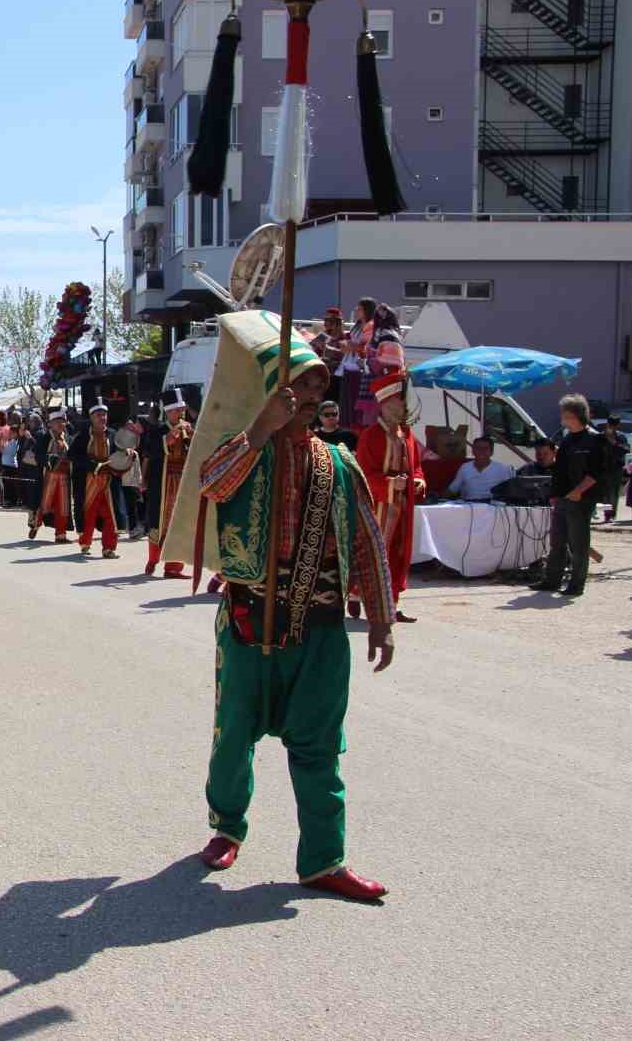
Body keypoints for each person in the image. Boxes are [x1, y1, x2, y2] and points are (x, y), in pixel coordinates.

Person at [193, 325, 396, 901]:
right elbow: (211, 485)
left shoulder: (339, 462)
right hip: (250, 623)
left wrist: (379, 616)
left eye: (315, 391)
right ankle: (226, 828)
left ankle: (323, 860)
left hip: (321, 630)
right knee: (234, 738)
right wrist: (260, 429)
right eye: (297, 390)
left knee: (320, 747)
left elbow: (365, 542)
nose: (308, 400)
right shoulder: (243, 449)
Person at [352, 373, 425, 623]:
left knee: (398, 554)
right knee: (374, 553)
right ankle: (362, 597)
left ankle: (392, 604)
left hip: (402, 506)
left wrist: (418, 480)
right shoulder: (370, 436)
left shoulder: (408, 435)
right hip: (378, 506)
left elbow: (416, 466)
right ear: (384, 405)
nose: (404, 408)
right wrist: (392, 483)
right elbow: (363, 474)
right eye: (399, 403)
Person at [531, 395, 608, 599]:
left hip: (582, 499)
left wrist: (579, 491)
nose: (563, 418)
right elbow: (560, 471)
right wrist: (555, 494)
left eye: (566, 415)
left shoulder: (594, 439)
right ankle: (551, 580)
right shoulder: (566, 440)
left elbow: (597, 472)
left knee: (578, 544)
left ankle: (576, 584)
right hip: (564, 498)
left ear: (577, 415)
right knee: (557, 541)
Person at [144, 389, 192, 578]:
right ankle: (153, 559)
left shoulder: (188, 428)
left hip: (181, 481)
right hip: (161, 482)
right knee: (158, 521)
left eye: (182, 410)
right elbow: (149, 452)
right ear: (168, 412)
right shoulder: (157, 431)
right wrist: (167, 441)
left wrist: (193, 436)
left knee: (178, 522)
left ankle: (173, 568)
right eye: (176, 410)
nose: (180, 414)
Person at [70, 403, 125, 559]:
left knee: (110, 514)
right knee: (89, 512)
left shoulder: (113, 434)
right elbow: (72, 455)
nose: (102, 418)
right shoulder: (83, 436)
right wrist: (92, 465)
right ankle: (85, 542)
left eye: (104, 415)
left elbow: (118, 453)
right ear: (91, 418)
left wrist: (126, 454)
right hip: (89, 481)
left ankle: (109, 548)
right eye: (98, 415)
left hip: (109, 481)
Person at [30, 410, 73, 543]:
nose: (61, 424)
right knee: (45, 504)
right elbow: (38, 456)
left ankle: (61, 534)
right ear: (51, 424)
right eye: (57, 422)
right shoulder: (44, 438)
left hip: (64, 476)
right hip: (48, 476)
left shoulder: (67, 438)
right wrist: (49, 460)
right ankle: (36, 523)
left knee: (63, 505)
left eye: (63, 422)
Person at [445, 437, 516, 502]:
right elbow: (452, 489)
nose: (481, 451)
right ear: (473, 451)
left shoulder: (503, 469)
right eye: (478, 448)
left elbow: (511, 492)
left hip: (493, 508)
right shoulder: (465, 468)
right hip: (468, 507)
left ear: (491, 452)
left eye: (485, 448)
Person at [598, 419, 629, 523]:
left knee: (613, 493)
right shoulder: (601, 436)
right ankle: (606, 514)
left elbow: (625, 449)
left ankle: (611, 514)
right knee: (605, 492)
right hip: (603, 468)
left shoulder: (621, 437)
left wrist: (614, 443)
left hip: (616, 468)